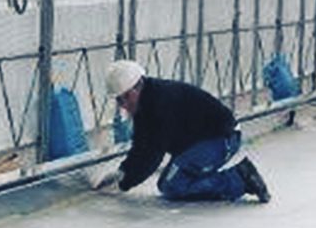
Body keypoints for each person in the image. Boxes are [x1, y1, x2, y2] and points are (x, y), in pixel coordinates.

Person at [101, 60, 269, 202]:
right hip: (200, 142)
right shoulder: (146, 102)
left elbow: (152, 155)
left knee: (172, 186)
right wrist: (122, 171)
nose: (122, 105)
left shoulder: (160, 103)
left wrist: (123, 184)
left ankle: (240, 179)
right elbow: (141, 145)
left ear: (136, 88)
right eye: (119, 100)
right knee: (170, 183)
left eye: (125, 98)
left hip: (220, 139)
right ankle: (227, 179)